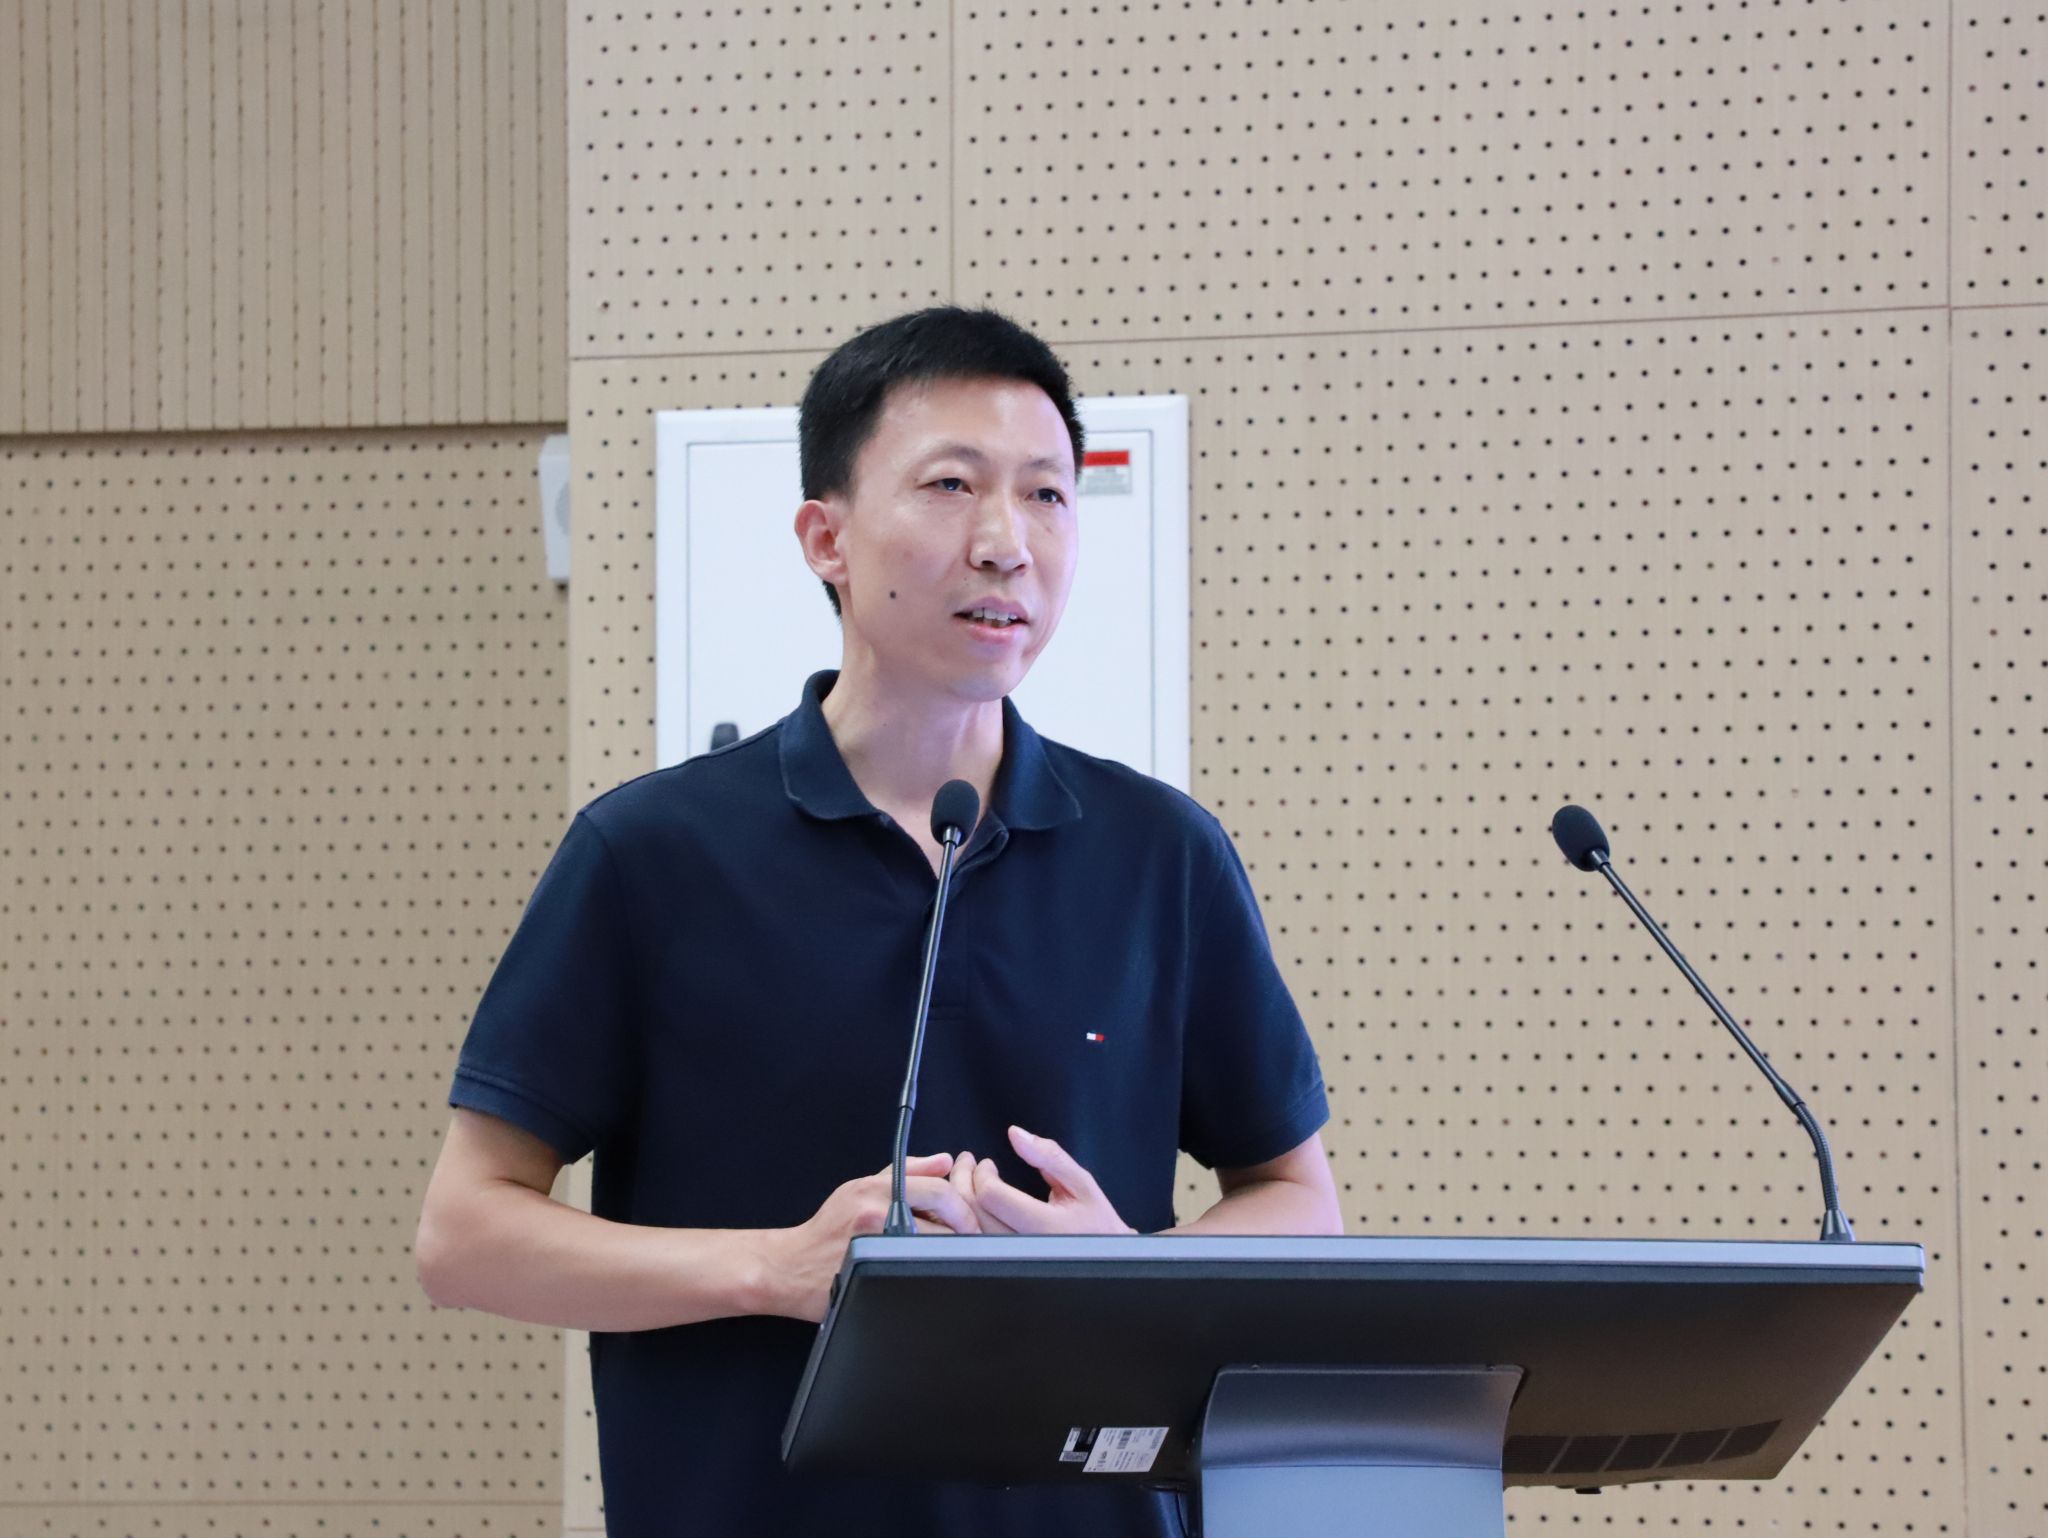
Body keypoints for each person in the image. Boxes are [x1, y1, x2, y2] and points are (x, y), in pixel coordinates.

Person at [414, 305, 1342, 1538]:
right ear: (826, 538)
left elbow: (1296, 1199)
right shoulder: (651, 854)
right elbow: (465, 1233)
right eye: (951, 486)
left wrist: (1128, 1271)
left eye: (1047, 495)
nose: (1006, 543)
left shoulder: (1161, 852)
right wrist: (772, 1266)